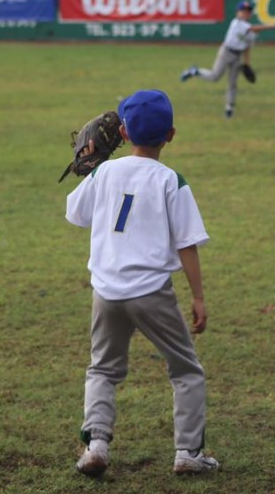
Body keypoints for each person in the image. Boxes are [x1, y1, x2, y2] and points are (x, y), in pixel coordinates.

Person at [65, 90, 218, 477]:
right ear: (171, 135)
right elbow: (187, 244)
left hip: (106, 292)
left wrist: (95, 167)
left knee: (103, 369)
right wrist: (198, 297)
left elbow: (75, 214)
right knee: (185, 370)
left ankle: (96, 446)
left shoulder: (105, 172)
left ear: (123, 131)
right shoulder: (171, 180)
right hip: (152, 292)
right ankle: (188, 453)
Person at [180, 0, 275, 118]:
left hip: (237, 56)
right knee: (214, 76)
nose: (245, 13)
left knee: (232, 83)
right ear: (237, 12)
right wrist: (269, 26)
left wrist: (247, 64)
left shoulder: (251, 32)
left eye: (247, 11)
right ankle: (194, 71)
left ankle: (229, 108)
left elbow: (247, 48)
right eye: (242, 11)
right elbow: (252, 28)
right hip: (226, 52)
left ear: (250, 14)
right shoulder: (236, 23)